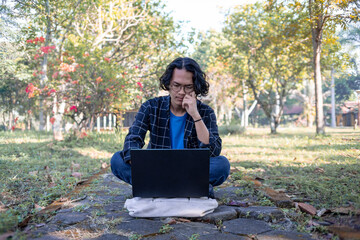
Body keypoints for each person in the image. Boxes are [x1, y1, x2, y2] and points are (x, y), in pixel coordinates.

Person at [110, 57, 230, 198]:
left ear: (196, 87)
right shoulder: (151, 106)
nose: (181, 92)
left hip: (190, 169)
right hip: (157, 168)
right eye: (176, 85)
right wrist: (140, 166)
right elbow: (133, 138)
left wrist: (195, 114)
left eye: (188, 87)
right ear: (168, 84)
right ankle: (188, 187)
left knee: (222, 164)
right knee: (117, 160)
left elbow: (214, 151)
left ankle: (159, 187)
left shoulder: (205, 112)